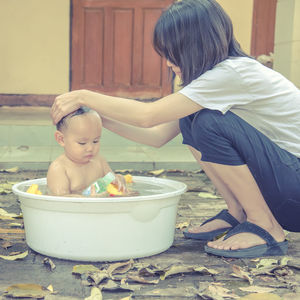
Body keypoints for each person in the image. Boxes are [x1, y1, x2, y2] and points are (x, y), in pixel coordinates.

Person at [51, 0, 300, 258]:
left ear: (196, 47)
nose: (168, 62)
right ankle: (239, 212)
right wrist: (99, 118)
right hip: (287, 183)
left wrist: (83, 96)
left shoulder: (231, 74)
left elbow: (148, 116)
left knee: (207, 123)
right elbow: (156, 136)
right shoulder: (217, 79)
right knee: (191, 119)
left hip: (295, 189)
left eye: (173, 53)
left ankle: (265, 224)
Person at [47, 107, 126, 196]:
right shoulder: (59, 168)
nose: (90, 148)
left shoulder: (99, 161)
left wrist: (119, 180)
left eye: (95, 141)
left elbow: (111, 180)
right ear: (61, 139)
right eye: (82, 143)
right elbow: (60, 200)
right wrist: (88, 200)